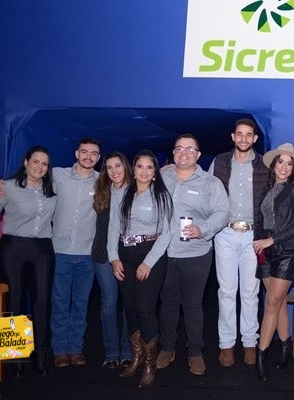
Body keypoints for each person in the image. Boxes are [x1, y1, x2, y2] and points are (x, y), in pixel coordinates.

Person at [0, 138, 102, 368]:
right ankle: (27, 355)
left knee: (69, 303)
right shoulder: (58, 175)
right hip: (50, 250)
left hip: (76, 252)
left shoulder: (103, 181)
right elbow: (22, 183)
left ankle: (71, 349)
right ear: (76, 153)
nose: (88, 156)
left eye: (94, 153)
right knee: (23, 300)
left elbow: (130, 181)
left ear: (99, 158)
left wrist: (167, 170)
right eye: (84, 151)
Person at [0, 145, 57, 376]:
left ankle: (41, 356)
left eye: (44, 164)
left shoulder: (53, 188)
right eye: (36, 162)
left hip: (42, 249)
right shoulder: (8, 187)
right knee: (14, 301)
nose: (40, 167)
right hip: (12, 249)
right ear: (26, 162)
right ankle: (14, 358)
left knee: (42, 301)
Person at [157, 134, 229, 376]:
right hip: (164, 253)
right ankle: (167, 348)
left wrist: (204, 229)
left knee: (193, 304)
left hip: (196, 253)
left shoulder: (211, 183)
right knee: (167, 303)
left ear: (198, 155)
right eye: (179, 148)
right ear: (173, 152)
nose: (184, 153)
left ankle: (195, 352)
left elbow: (223, 213)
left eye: (190, 149)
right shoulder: (161, 177)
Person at [107, 149, 173, 389]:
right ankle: (136, 358)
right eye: (139, 166)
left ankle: (149, 364)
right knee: (130, 309)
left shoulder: (162, 195)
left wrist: (148, 262)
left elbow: (167, 233)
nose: (144, 171)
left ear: (155, 173)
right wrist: (114, 258)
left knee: (145, 309)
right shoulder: (122, 194)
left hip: (150, 256)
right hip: (124, 255)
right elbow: (113, 227)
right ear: (133, 170)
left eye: (149, 167)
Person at [208, 118, 270, 367]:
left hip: (254, 237)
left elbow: (281, 189)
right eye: (239, 134)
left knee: (250, 292)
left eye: (248, 135)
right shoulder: (219, 162)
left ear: (255, 138)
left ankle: (249, 343)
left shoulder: (265, 164)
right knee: (226, 291)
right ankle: (226, 344)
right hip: (225, 233)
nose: (244, 139)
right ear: (232, 136)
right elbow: (205, 188)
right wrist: (170, 171)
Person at [253, 142, 294, 382]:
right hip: (266, 252)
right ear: (273, 165)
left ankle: (261, 356)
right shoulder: (266, 190)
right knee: (279, 301)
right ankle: (286, 346)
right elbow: (262, 220)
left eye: (289, 164)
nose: (284, 167)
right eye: (280, 162)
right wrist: (259, 242)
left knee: (271, 303)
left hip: (288, 251)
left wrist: (271, 240)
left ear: (293, 168)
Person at [92, 151, 133, 369]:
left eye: (118, 165)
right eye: (109, 167)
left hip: (128, 254)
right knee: (108, 303)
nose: (114, 171)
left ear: (126, 166)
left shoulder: (137, 189)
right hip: (102, 255)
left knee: (128, 305)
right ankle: (111, 352)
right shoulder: (101, 190)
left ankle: (127, 350)